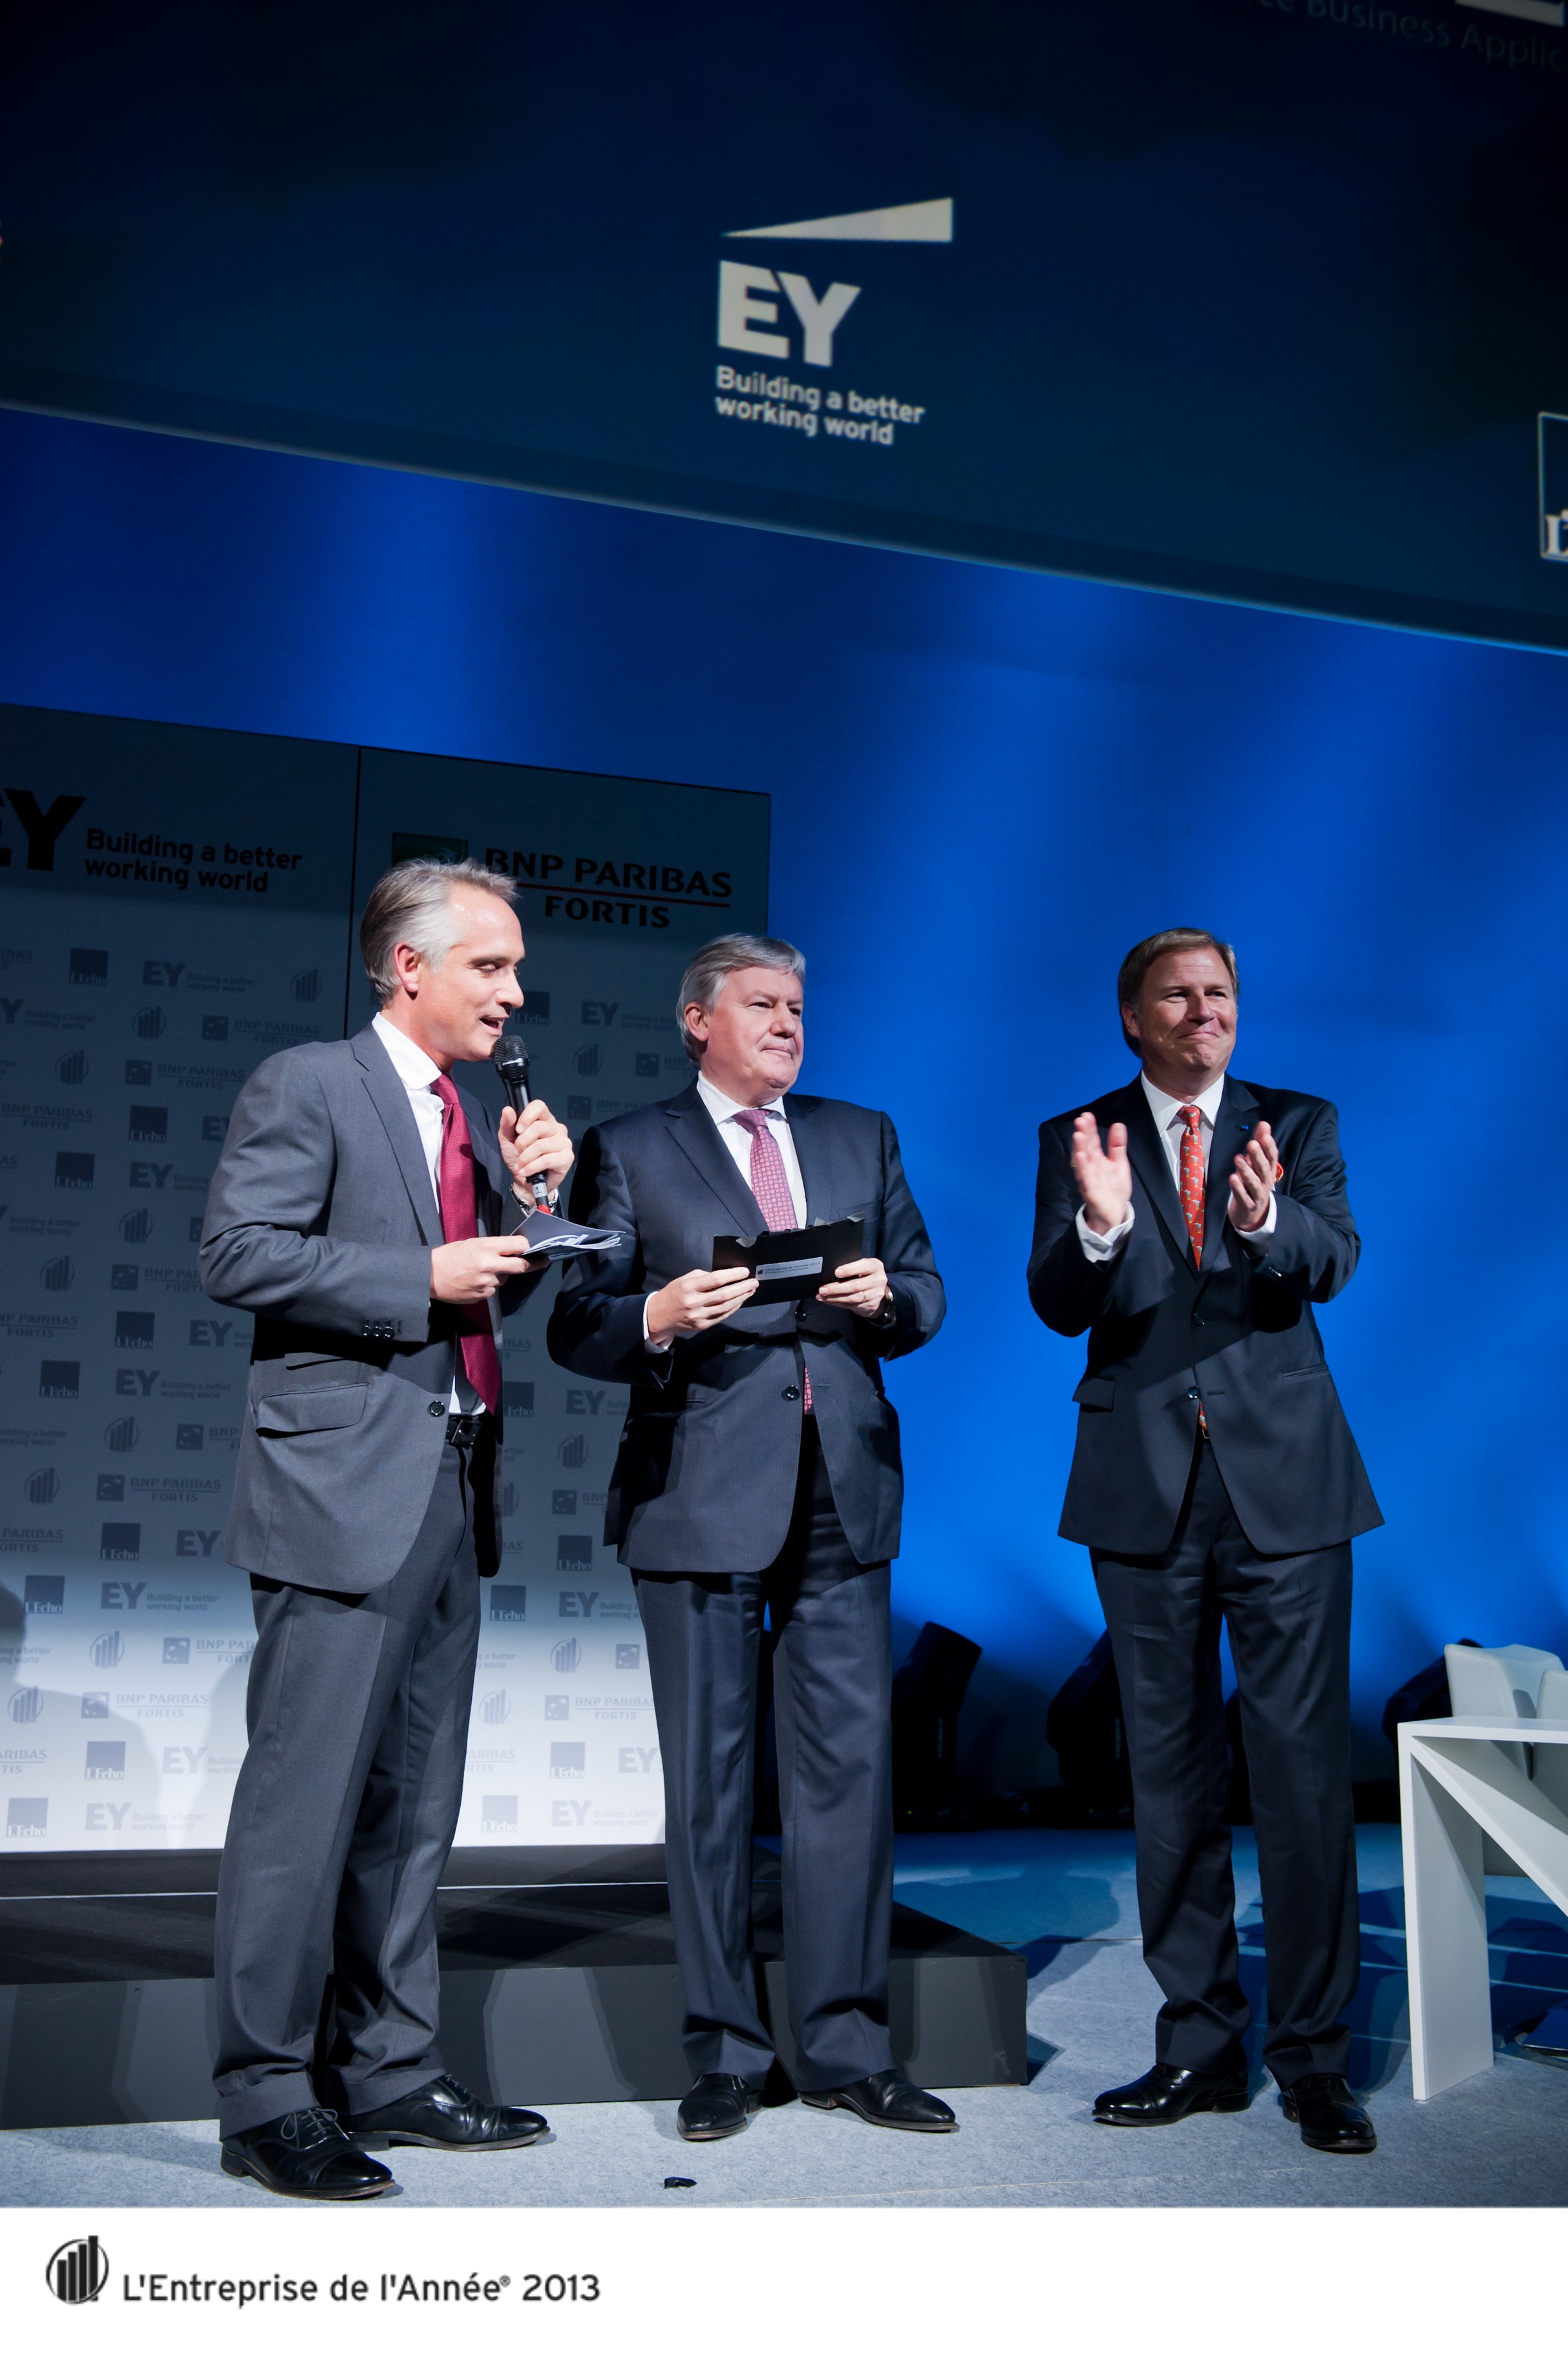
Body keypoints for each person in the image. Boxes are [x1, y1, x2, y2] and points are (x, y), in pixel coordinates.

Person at [199, 858, 574, 2200]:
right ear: (408, 965)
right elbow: (236, 1252)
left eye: (516, 970)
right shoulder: (312, 1083)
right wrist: (417, 1272)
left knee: (416, 1808)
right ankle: (265, 2094)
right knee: (301, 1810)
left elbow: (483, 1300)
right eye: (490, 966)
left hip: (452, 1483)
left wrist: (536, 1211)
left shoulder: (469, 1114)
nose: (513, 993)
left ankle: (393, 2068)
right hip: (339, 1491)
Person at [547, 934, 953, 2141]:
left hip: (843, 1487)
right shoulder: (630, 1147)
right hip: (698, 1489)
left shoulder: (860, 1134)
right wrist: (660, 1313)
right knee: (711, 1784)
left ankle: (846, 2046)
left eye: (797, 1007)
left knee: (848, 1781)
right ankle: (724, 2051)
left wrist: (886, 1298)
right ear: (697, 1021)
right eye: (762, 1004)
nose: (787, 1024)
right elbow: (576, 1322)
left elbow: (926, 1293)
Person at [1028, 928, 1383, 2157]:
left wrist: (1271, 1216)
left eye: (1218, 992)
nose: (1202, 1010)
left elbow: (1333, 1261)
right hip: (1143, 1487)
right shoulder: (1079, 1135)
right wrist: (1098, 1227)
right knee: (1168, 1778)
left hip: (1286, 1489)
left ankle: (1315, 2059)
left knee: (1300, 1777)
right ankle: (1197, 2044)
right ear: (1132, 1017)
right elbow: (1057, 1302)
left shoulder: (1298, 1120)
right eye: (1176, 995)